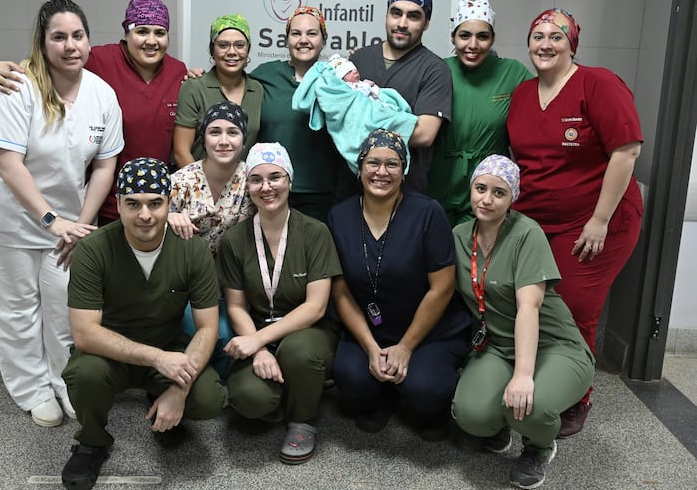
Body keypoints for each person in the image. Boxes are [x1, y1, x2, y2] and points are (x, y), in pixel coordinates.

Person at [0, 0, 124, 427]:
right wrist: (52, 220)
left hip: (65, 222)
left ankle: (65, 382)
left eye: (77, 35)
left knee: (64, 305)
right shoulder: (16, 86)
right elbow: (8, 163)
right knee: (15, 310)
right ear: (43, 43)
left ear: (89, 40)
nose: (70, 45)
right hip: (6, 219)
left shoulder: (102, 94)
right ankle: (32, 390)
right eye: (59, 37)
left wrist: (79, 225)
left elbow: (105, 165)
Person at [507, 8, 643, 437]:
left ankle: (577, 396)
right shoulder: (523, 94)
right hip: (537, 221)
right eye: (538, 36)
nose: (545, 44)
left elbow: (627, 151)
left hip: (596, 222)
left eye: (556, 37)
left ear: (572, 45)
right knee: (534, 303)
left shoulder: (597, 84)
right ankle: (540, 376)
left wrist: (600, 220)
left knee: (575, 306)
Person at [61, 158, 225, 490]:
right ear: (119, 203)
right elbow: (85, 333)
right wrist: (157, 358)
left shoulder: (192, 250)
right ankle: (92, 441)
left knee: (208, 397)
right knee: (84, 375)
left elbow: (208, 327)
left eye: (155, 203)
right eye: (133, 204)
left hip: (168, 345)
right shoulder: (93, 250)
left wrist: (179, 390)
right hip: (109, 352)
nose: (145, 214)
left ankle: (162, 402)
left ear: (169, 203)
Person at [452, 155, 595, 489]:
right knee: (470, 414)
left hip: (553, 346)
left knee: (532, 406)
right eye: (480, 188)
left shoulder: (527, 234)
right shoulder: (460, 235)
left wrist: (523, 376)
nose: (487, 199)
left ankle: (538, 446)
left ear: (512, 198)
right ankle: (501, 423)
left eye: (499, 192)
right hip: (499, 346)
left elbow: (528, 307)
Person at [0, 0, 189, 225]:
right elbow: (46, 64)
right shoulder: (98, 60)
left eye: (160, 33)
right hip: (106, 201)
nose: (151, 41)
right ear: (126, 33)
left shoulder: (178, 71)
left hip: (155, 203)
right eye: (142, 31)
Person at [327, 129, 470, 440]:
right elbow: (341, 292)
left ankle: (429, 403)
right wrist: (369, 346)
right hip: (372, 328)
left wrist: (405, 347)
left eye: (392, 164)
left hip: (429, 331)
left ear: (404, 171)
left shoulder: (427, 212)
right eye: (373, 163)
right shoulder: (340, 216)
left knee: (426, 388)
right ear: (359, 167)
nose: (382, 172)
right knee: (351, 378)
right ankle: (383, 396)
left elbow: (442, 288)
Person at [217, 143, 341, 464]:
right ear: (248, 186)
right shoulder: (234, 240)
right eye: (256, 180)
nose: (266, 187)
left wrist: (257, 340)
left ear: (290, 181)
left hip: (309, 332)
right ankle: (287, 393)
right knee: (249, 399)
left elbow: (315, 307)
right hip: (257, 329)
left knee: (297, 352)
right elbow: (236, 306)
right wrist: (258, 349)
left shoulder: (315, 232)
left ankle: (303, 420)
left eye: (275, 177)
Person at [427, 0, 533, 227]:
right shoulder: (437, 69)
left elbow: (547, 101)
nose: (473, 45)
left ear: (492, 39)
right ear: (453, 37)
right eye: (464, 35)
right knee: (436, 245)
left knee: (479, 248)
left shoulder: (512, 72)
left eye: (482, 36)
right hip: (438, 181)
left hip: (489, 188)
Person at [168, 101, 256, 378]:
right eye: (215, 132)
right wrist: (168, 218)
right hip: (183, 283)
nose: (223, 141)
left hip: (230, 283)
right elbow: (145, 221)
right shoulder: (181, 182)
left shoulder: (252, 180)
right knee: (195, 332)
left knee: (224, 338)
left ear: (244, 139)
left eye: (233, 132)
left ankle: (215, 387)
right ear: (203, 138)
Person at [350, 0, 453, 195]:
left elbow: (424, 133)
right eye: (396, 13)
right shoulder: (359, 59)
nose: (402, 23)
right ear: (386, 15)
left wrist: (358, 125)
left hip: (407, 190)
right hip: (353, 187)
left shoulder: (434, 69)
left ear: (426, 23)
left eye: (413, 16)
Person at [251, 6, 342, 221]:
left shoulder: (335, 78)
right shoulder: (266, 74)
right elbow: (231, 87)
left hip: (319, 193)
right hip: (268, 189)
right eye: (296, 33)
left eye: (312, 33)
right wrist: (197, 77)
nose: (303, 40)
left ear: (323, 39)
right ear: (286, 39)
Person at [173, 14, 263, 167]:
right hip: (198, 179)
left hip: (242, 180)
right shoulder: (194, 87)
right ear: (212, 50)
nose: (232, 51)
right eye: (223, 45)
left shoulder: (257, 89)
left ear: (248, 49)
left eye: (239, 45)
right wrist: (201, 182)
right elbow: (181, 152)